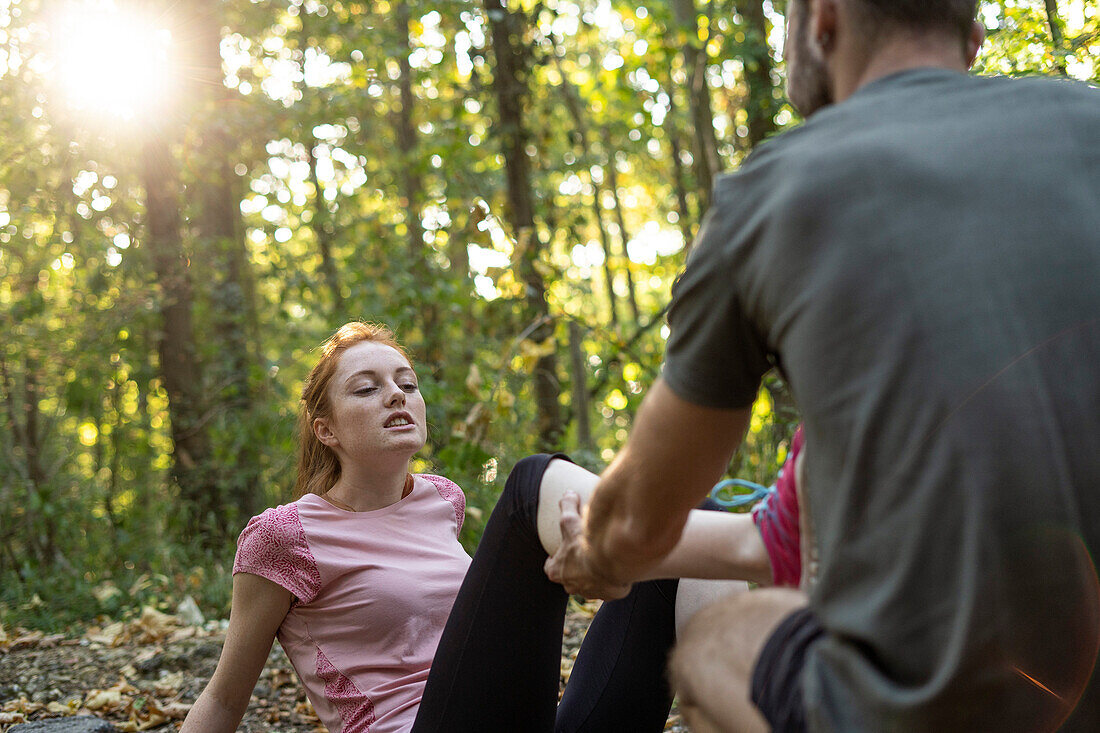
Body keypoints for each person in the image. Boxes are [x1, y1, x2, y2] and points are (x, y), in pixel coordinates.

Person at [545, 0, 1100, 731]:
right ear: (972, 40)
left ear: (825, 20)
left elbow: (643, 516)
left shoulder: (772, 193)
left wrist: (599, 559)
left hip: (927, 710)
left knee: (717, 640)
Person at [180, 321, 784, 733]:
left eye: (407, 384)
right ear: (326, 429)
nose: (396, 395)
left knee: (696, 520)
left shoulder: (441, 501)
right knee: (528, 489)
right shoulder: (283, 537)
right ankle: (770, 543)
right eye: (366, 389)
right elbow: (226, 696)